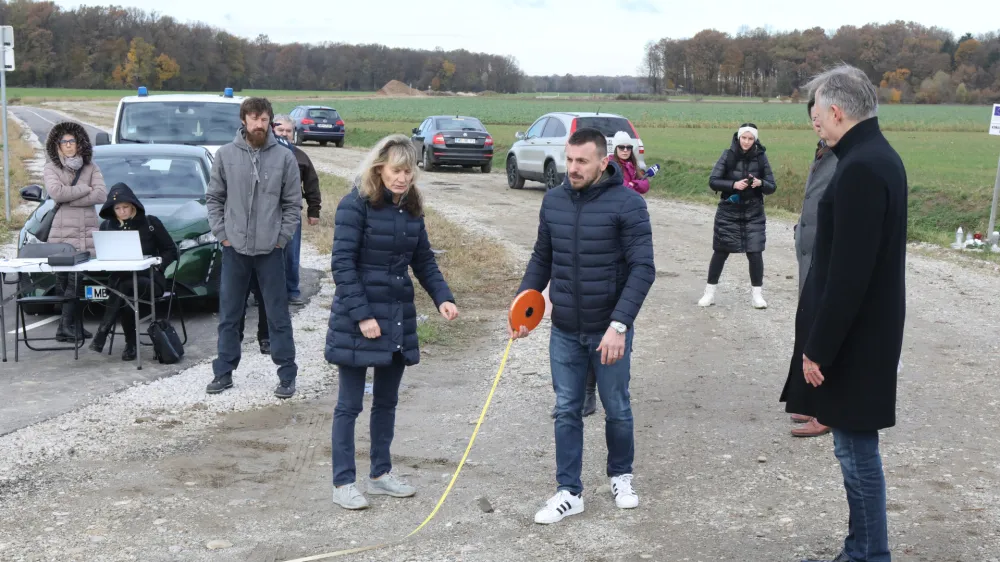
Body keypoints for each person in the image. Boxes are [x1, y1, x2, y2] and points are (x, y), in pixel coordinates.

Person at [783, 64, 907, 562]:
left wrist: (819, 348)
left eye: (816, 117)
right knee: (851, 449)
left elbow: (849, 273)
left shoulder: (859, 168)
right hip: (867, 331)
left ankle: (870, 555)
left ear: (836, 111)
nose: (816, 126)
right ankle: (860, 547)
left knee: (856, 454)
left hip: (857, 338)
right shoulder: (877, 156)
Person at [510, 127, 655, 525]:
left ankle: (621, 476)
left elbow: (644, 269)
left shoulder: (628, 205)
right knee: (566, 410)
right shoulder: (553, 202)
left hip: (609, 329)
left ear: (603, 162)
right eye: (569, 160)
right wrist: (524, 307)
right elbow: (542, 259)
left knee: (618, 409)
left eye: (581, 162)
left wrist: (620, 325)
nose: (571, 168)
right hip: (565, 329)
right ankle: (569, 492)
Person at [325, 134, 459, 510]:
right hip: (358, 318)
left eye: (409, 172)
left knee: (386, 402)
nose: (403, 179)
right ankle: (343, 482)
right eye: (396, 171)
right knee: (349, 405)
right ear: (379, 168)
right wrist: (363, 315)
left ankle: (381, 474)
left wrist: (443, 298)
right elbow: (342, 266)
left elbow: (424, 261)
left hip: (398, 318)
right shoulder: (355, 205)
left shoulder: (411, 209)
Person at [205, 97, 302, 399]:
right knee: (230, 315)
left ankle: (287, 374)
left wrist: (281, 239)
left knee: (277, 315)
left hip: (271, 251)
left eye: (264, 119)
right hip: (235, 249)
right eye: (253, 118)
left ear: (270, 122)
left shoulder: (284, 158)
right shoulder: (225, 155)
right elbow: (213, 199)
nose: (258, 124)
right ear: (243, 120)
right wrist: (223, 235)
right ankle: (223, 372)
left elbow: (292, 204)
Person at [787, 99, 838, 439]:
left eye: (819, 117)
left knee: (827, 323)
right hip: (809, 251)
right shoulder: (823, 149)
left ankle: (828, 408)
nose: (815, 124)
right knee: (808, 322)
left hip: (828, 252)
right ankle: (809, 397)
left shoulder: (847, 155)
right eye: (812, 119)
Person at [88, 183, 178, 360]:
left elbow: (171, 250)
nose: (122, 211)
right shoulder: (107, 226)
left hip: (151, 279)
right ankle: (129, 343)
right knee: (125, 289)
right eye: (118, 208)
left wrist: (158, 264)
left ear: (133, 206)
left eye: (125, 207)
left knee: (124, 289)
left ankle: (106, 334)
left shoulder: (151, 223)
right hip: (121, 281)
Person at [697, 123, 776, 309]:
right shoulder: (727, 155)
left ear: (755, 140)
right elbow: (713, 181)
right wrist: (733, 185)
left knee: (755, 253)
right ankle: (709, 293)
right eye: (744, 138)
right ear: (738, 137)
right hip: (729, 210)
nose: (747, 142)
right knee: (720, 252)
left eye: (750, 139)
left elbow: (772, 186)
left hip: (754, 211)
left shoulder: (762, 157)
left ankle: (757, 295)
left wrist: (760, 183)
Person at [42, 122, 107, 343]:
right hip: (62, 230)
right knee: (65, 279)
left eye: (72, 141)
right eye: (65, 142)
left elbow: (101, 196)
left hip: (86, 229)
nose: (69, 145)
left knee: (79, 279)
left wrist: (72, 197)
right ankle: (66, 325)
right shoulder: (51, 168)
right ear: (57, 146)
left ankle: (72, 325)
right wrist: (84, 189)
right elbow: (56, 193)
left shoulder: (91, 167)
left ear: (80, 144)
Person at [273, 114, 322, 306]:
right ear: (272, 131)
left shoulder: (301, 157)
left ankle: (291, 290)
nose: (285, 134)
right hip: (266, 213)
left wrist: (313, 211)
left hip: (291, 213)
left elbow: (312, 184)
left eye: (288, 131)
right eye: (280, 130)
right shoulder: (263, 154)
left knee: (291, 253)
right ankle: (261, 292)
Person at [609, 131, 649, 195]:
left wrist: (633, 183)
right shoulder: (610, 165)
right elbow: (622, 187)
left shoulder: (632, 164)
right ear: (615, 148)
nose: (625, 150)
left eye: (628, 147)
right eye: (621, 147)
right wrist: (636, 185)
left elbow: (645, 185)